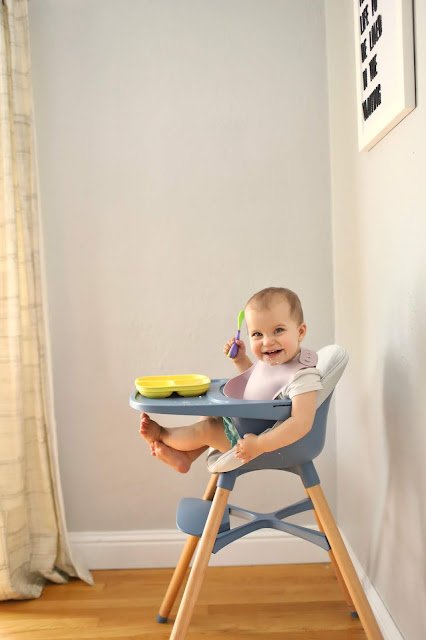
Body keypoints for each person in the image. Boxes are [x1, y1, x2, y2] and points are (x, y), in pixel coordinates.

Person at [140, 287, 323, 472]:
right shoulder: (275, 360)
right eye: (257, 334)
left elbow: (301, 423)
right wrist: (240, 360)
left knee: (209, 428)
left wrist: (259, 444)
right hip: (248, 427)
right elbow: (257, 384)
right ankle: (186, 457)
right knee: (212, 414)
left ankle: (162, 435)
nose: (267, 342)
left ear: (300, 332)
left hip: (262, 444)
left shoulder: (302, 376)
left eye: (278, 330)